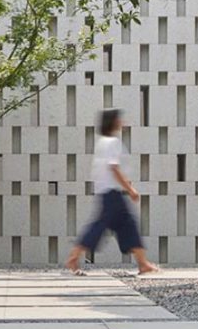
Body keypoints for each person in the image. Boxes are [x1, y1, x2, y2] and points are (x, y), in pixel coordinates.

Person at [65, 108, 158, 275]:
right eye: (119, 119)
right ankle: (73, 258)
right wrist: (130, 189)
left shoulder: (103, 142)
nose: (122, 122)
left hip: (106, 191)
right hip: (112, 193)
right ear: (113, 122)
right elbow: (113, 168)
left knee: (126, 225)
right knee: (102, 226)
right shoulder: (112, 142)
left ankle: (143, 264)